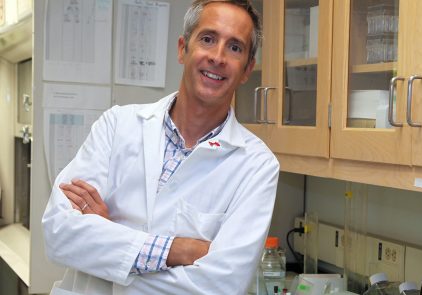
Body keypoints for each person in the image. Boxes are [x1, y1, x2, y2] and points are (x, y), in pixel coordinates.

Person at [42, 0, 280, 294]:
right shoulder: (117, 125)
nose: (218, 57)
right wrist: (179, 250)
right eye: (208, 39)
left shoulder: (256, 165)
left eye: (235, 47)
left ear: (246, 69)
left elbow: (221, 285)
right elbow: (59, 233)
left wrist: (110, 244)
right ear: (183, 49)